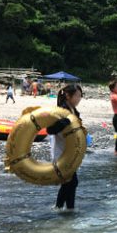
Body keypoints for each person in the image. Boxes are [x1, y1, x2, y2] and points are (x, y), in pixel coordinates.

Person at [47, 84, 84, 212]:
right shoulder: (61, 111)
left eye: (80, 96)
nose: (79, 98)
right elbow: (50, 129)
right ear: (68, 96)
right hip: (61, 152)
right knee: (71, 182)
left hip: (71, 151)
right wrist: (64, 122)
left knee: (70, 182)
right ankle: (62, 208)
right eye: (77, 96)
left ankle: (66, 208)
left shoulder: (74, 110)